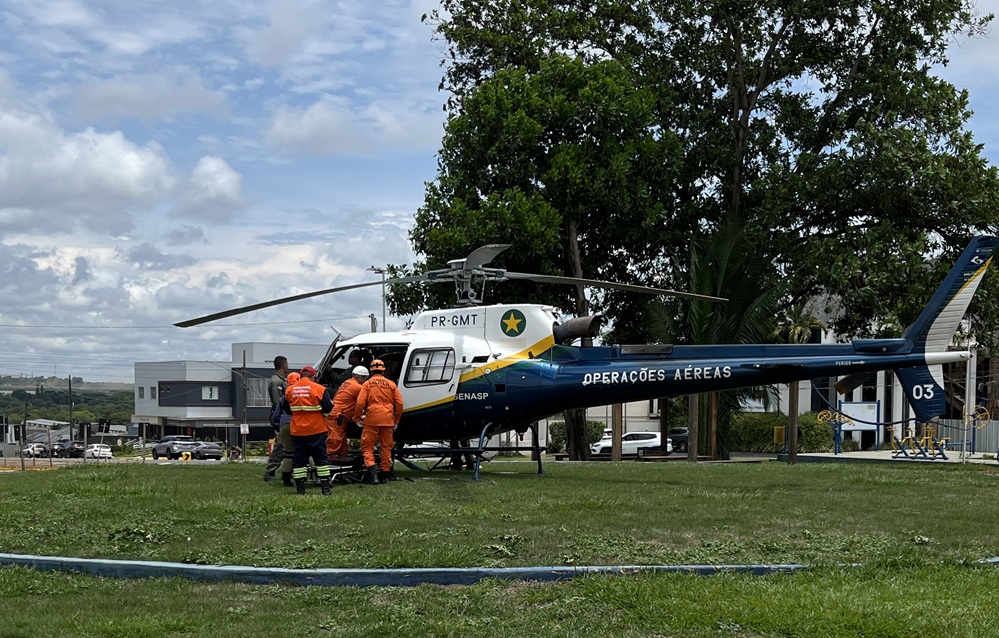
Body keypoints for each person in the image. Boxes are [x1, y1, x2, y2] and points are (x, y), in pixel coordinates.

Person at [285, 365, 334, 495]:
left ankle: (300, 490)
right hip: (316, 429)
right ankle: (325, 489)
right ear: (314, 376)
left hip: (297, 430)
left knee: (299, 460)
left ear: (301, 376)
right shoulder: (319, 389)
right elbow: (328, 408)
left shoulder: (290, 390)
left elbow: (287, 409)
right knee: (321, 460)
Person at [353, 359, 404, 484]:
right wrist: (396, 419)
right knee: (386, 447)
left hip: (372, 419)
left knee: (367, 446)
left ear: (371, 370)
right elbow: (400, 403)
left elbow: (360, 403)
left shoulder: (367, 384)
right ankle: (385, 474)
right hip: (388, 419)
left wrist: (357, 418)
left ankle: (372, 472)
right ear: (383, 370)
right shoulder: (391, 384)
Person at [327, 366, 369, 459]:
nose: (365, 380)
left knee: (340, 439)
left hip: (338, 414)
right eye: (365, 378)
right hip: (340, 416)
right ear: (360, 377)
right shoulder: (358, 387)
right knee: (336, 439)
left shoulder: (347, 382)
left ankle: (341, 458)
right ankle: (332, 460)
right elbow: (364, 402)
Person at [269, 372, 300, 486]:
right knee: (306, 450)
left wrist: (278, 424)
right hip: (301, 425)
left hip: (285, 425)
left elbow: (276, 416)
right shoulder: (304, 393)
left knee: (288, 452)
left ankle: (286, 478)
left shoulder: (285, 395)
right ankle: (315, 476)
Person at [263, 356, 290, 482]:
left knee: (284, 445)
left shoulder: (279, 380)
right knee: (280, 445)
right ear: (284, 366)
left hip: (282, 416)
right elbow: (277, 402)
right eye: (287, 364)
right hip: (280, 416)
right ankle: (270, 472)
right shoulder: (276, 382)